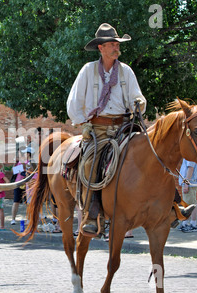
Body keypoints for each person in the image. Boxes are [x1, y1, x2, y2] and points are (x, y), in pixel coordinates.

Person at [66, 23, 146, 236]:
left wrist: (138, 102)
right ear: (101, 48)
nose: (116, 48)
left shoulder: (125, 71)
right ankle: (92, 212)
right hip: (97, 128)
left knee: (150, 152)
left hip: (124, 126)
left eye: (116, 44)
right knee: (92, 161)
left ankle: (172, 205)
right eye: (111, 44)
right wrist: (84, 122)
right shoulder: (88, 70)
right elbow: (74, 101)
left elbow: (136, 96)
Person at [178, 159, 197, 233]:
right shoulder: (189, 156)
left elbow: (191, 168)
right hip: (190, 183)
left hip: (190, 183)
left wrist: (186, 184)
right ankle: (185, 223)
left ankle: (193, 225)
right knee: (189, 203)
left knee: (190, 205)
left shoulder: (190, 156)